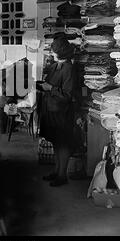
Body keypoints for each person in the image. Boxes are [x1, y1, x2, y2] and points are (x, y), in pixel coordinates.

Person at [38, 37, 76, 187]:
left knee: (63, 144)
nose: (51, 52)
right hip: (51, 109)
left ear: (59, 51)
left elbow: (67, 95)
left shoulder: (68, 68)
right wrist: (38, 85)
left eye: (53, 49)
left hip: (62, 112)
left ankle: (62, 175)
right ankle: (56, 170)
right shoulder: (55, 66)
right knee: (55, 142)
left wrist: (50, 89)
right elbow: (49, 84)